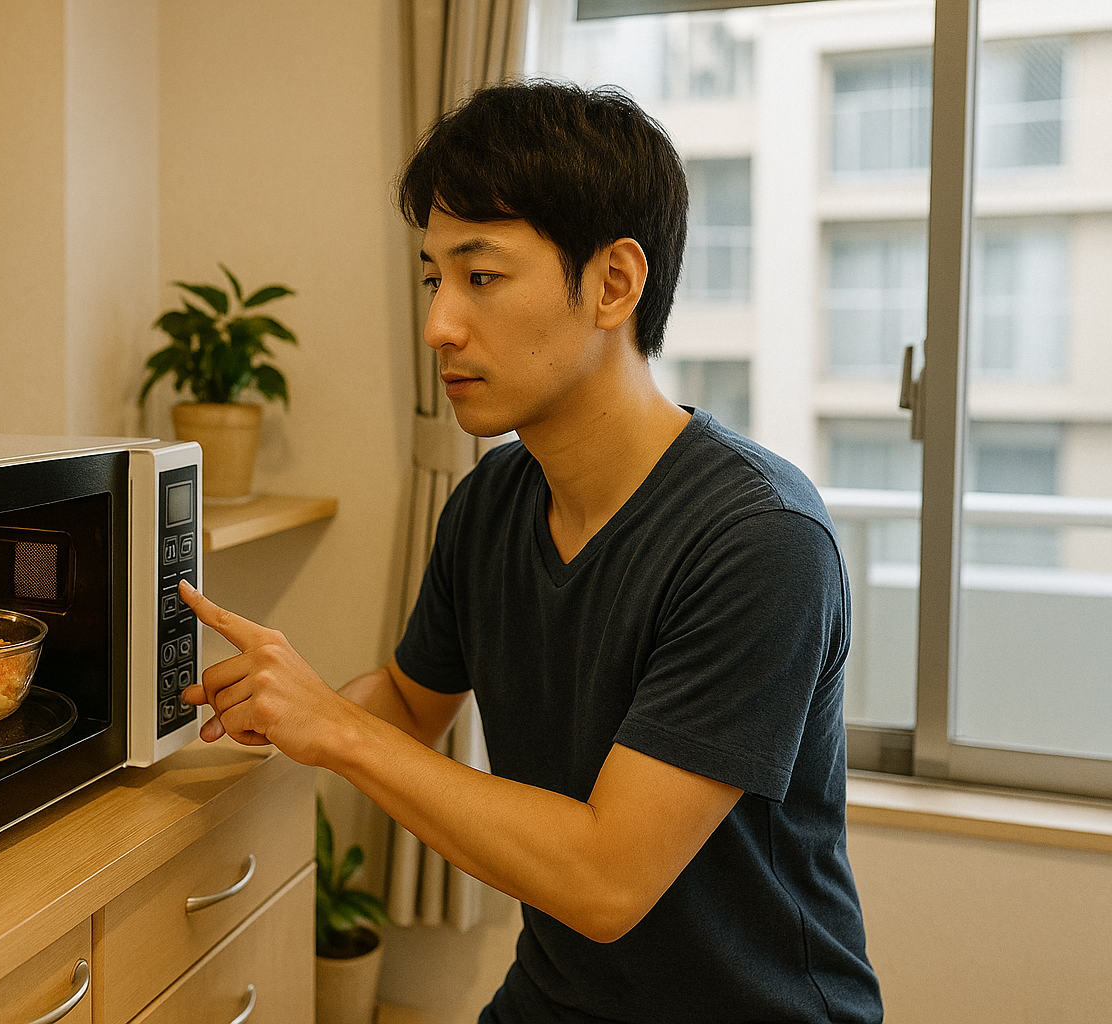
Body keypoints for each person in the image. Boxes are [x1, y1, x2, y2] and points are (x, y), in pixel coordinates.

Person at [177, 80, 883, 1024]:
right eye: (434, 278)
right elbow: (408, 704)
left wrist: (337, 733)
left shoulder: (758, 539)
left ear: (615, 284)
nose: (439, 325)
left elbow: (604, 880)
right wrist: (265, 713)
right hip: (556, 997)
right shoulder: (491, 504)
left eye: (481, 275)